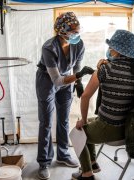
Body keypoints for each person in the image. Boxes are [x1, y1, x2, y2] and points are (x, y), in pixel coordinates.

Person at [72, 29, 134, 180]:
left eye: (112, 47)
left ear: (118, 50)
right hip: (128, 129)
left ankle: (87, 174)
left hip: (108, 128)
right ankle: (93, 163)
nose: (109, 49)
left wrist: (82, 121)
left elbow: (85, 97)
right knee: (90, 122)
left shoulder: (105, 69)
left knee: (77, 131)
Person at [35, 12, 94, 180]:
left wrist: (78, 82)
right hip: (48, 80)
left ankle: (62, 154)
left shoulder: (79, 44)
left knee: (64, 119)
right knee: (46, 122)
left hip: (67, 79)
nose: (77, 34)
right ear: (62, 30)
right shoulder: (49, 48)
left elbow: (77, 67)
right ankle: (44, 162)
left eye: (78, 31)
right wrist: (76, 77)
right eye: (73, 31)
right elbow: (57, 80)